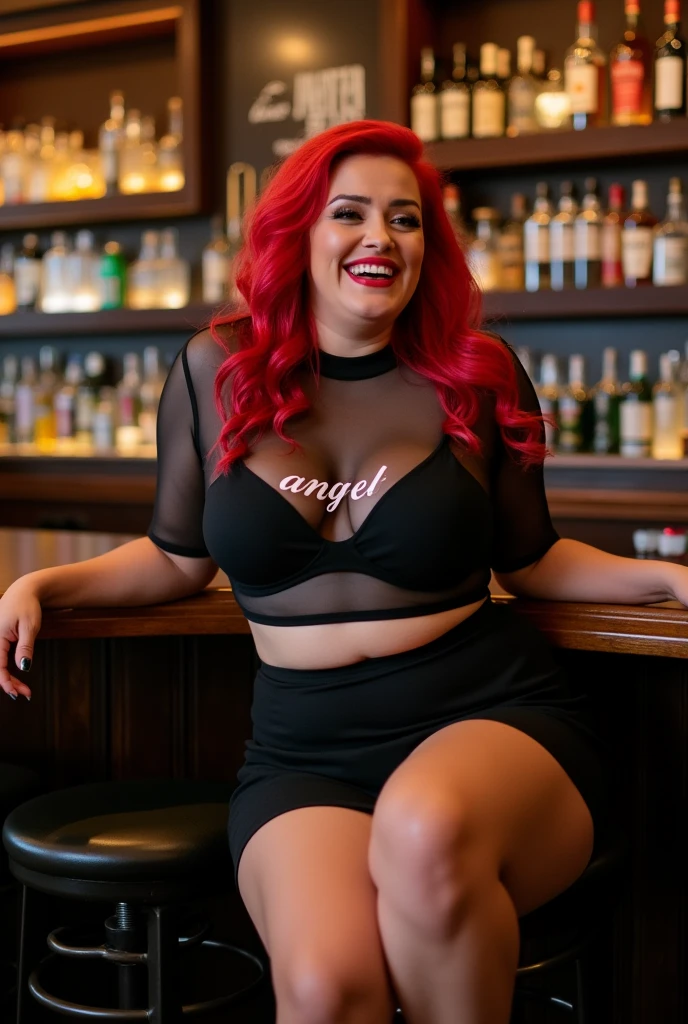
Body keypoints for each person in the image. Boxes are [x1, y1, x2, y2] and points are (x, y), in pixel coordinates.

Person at [1, 120, 687, 1024]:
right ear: (301, 233)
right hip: (303, 749)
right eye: (350, 214)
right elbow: (175, 558)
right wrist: (42, 585)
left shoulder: (476, 376)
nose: (380, 238)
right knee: (329, 988)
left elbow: (531, 561)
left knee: (426, 826)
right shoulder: (215, 372)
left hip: (485, 716)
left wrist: (668, 582)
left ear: (426, 249)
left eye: (406, 221)